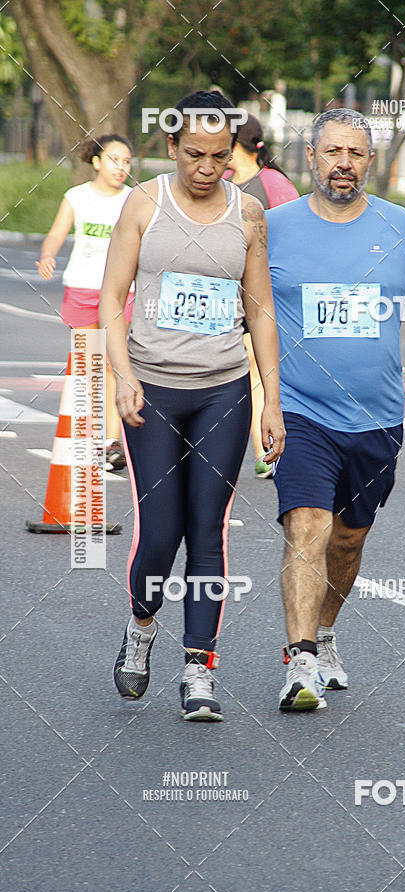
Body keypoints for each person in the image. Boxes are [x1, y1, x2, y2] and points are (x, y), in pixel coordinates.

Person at [100, 91, 285, 721]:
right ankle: (142, 623)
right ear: (172, 147)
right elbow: (111, 297)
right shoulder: (145, 203)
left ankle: (198, 668)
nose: (206, 169)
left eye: (218, 157)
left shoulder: (250, 214)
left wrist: (272, 404)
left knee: (207, 530)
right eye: (194, 156)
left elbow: (260, 313)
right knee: (160, 534)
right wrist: (123, 378)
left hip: (223, 390)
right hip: (152, 389)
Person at [266, 108, 405, 711]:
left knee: (348, 541)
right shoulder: (273, 227)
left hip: (375, 418)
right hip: (301, 410)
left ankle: (324, 637)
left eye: (355, 153)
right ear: (311, 158)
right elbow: (245, 310)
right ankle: (299, 663)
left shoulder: (401, 228)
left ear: (370, 161)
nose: (343, 163)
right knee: (307, 528)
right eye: (331, 152)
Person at [36, 134, 134, 470]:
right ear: (96, 162)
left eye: (126, 161)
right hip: (82, 287)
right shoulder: (77, 197)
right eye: (113, 159)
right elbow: (56, 233)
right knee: (87, 364)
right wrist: (48, 254)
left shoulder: (134, 200)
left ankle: (112, 442)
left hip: (121, 291)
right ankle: (84, 436)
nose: (120, 167)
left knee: (114, 364)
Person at [224, 114, 299, 478]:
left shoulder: (273, 183)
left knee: (258, 368)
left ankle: (265, 449)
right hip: (227, 292)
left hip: (265, 293)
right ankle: (262, 447)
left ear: (235, 143)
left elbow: (297, 237)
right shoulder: (222, 183)